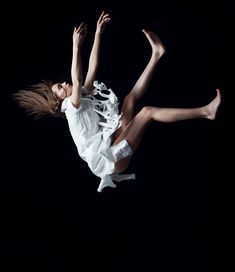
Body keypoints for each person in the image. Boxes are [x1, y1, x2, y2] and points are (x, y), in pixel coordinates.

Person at [13, 11, 221, 192]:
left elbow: (92, 69)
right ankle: (206, 112)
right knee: (146, 112)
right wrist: (76, 47)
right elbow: (76, 80)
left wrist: (98, 34)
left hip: (112, 142)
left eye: (60, 83)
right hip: (112, 160)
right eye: (60, 87)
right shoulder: (70, 108)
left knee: (130, 100)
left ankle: (156, 55)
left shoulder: (80, 98)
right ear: (60, 101)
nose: (63, 83)